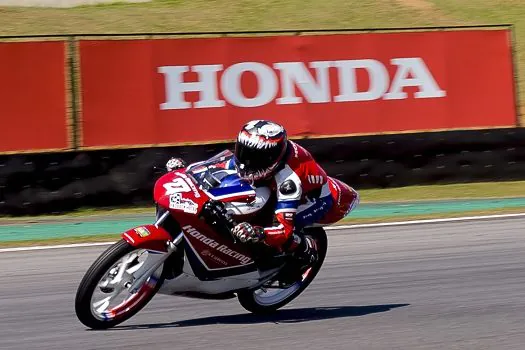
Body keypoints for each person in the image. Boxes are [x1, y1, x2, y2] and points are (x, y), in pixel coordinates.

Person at [167, 120, 359, 275]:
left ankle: (303, 252)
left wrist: (258, 232)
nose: (246, 160)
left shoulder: (288, 180)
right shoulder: (259, 154)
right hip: (276, 182)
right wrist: (188, 170)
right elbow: (220, 164)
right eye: (244, 152)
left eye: (254, 157)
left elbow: (283, 229)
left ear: (271, 158)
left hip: (314, 200)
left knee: (275, 226)